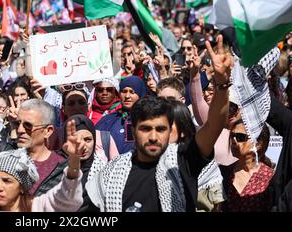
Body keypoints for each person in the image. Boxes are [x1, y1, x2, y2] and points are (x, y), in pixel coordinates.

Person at [85, 35, 233, 212]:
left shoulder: (182, 161)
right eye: (146, 129)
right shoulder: (111, 174)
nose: (153, 137)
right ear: (133, 129)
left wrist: (222, 84)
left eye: (161, 129)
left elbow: (213, 126)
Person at [0, 137, 83, 212]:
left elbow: (67, 198)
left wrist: (74, 161)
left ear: (22, 187)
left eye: (7, 181)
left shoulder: (38, 207)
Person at [219, 122, 273, 212]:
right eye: (232, 136)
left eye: (240, 137)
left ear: (258, 144)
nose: (234, 140)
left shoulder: (269, 177)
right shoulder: (222, 173)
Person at [95, 76, 146, 154]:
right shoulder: (107, 120)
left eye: (132, 92)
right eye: (124, 91)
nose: (127, 96)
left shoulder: (148, 118)